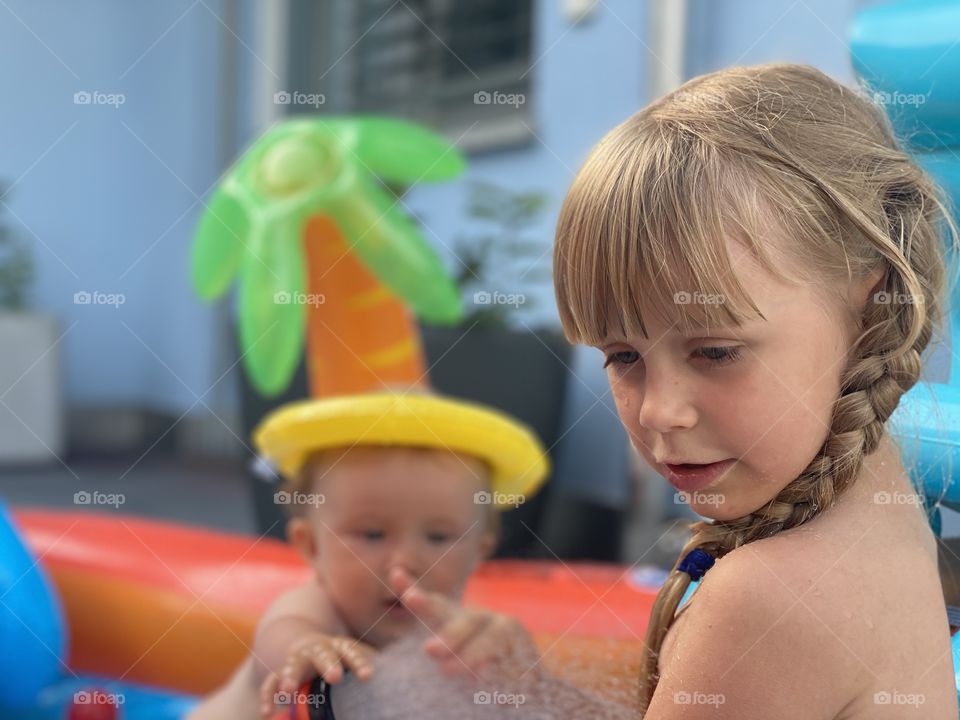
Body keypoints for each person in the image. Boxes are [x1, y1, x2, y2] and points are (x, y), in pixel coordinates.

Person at [549, 62, 960, 717]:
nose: (660, 411)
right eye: (623, 356)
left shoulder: (764, 598)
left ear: (869, 308)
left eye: (715, 351)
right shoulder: (885, 509)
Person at [186, 391, 548, 720]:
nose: (405, 561)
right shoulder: (315, 612)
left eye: (439, 536)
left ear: (479, 551)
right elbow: (281, 642)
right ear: (310, 545)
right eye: (372, 534)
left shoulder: (456, 636)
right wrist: (308, 648)